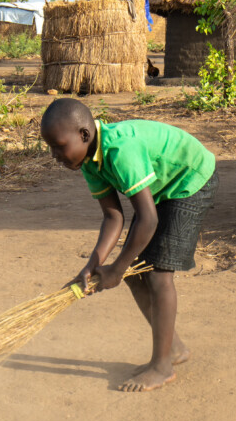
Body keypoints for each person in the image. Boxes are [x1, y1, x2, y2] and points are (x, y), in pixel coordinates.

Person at [40, 98, 218, 392]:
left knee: (159, 274)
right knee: (136, 273)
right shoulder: (88, 161)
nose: (55, 155)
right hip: (164, 189)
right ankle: (172, 349)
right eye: (51, 148)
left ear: (84, 135)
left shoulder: (121, 150)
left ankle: (161, 367)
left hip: (191, 179)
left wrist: (117, 269)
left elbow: (147, 220)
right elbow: (113, 217)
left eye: (59, 145)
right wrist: (93, 265)